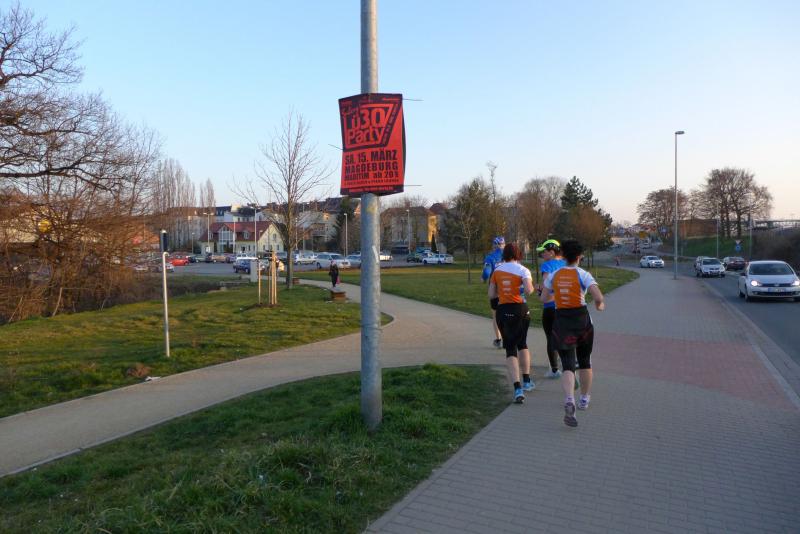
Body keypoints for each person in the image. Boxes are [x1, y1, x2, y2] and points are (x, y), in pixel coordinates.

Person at [541, 240, 605, 427]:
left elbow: (544, 298)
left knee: (568, 365)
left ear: (563, 255)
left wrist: (558, 294)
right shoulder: (583, 274)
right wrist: (600, 305)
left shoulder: (554, 275)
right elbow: (598, 296)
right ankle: (584, 399)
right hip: (582, 321)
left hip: (562, 321)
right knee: (585, 362)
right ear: (579, 257)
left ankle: (569, 399)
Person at [488, 242, 535, 403]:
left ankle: (517, 389)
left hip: (503, 310)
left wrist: (503, 291)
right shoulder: (523, 270)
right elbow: (529, 290)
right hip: (521, 310)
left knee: (510, 349)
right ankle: (527, 381)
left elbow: (491, 295)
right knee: (522, 344)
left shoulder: (497, 270)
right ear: (518, 254)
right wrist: (525, 288)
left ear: (504, 255)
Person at [536, 239, 566, 379]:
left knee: (551, 338)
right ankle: (569, 367)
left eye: (544, 252)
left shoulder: (547, 265)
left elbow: (547, 285)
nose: (542, 254)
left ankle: (554, 370)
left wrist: (539, 290)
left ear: (552, 252)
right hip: (566, 307)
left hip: (551, 307)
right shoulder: (566, 264)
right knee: (565, 336)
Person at [482, 236, 505, 348]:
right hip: (508, 288)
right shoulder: (510, 256)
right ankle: (508, 338)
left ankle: (498, 340)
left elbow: (487, 272)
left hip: (495, 289)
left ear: (494, 245)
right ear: (504, 245)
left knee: (495, 315)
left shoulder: (490, 257)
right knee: (508, 313)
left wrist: (483, 278)